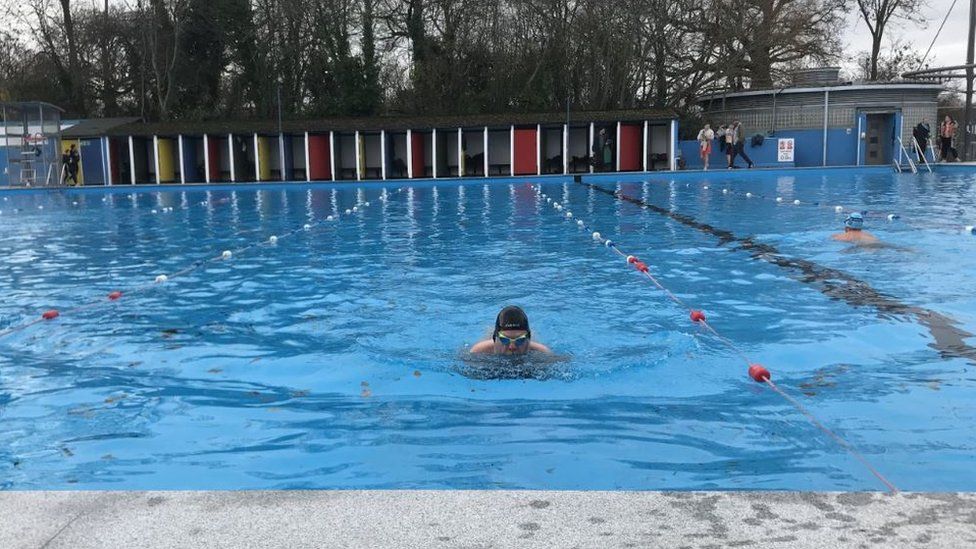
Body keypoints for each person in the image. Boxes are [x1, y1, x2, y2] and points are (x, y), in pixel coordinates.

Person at [470, 306, 552, 356]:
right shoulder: (479, 351)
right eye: (504, 339)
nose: (512, 347)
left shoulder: (542, 353)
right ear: (495, 339)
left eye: (520, 340)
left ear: (528, 340)